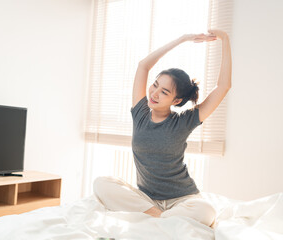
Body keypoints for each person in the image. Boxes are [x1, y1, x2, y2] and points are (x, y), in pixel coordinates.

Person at [93, 29, 232, 228]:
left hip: (182, 199)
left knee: (207, 210)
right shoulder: (140, 113)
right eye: (155, 85)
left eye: (164, 92)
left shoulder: (185, 121)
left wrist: (225, 39)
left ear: (176, 100)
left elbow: (223, 86)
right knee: (101, 183)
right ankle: (159, 217)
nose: (154, 93)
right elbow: (143, 66)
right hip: (147, 199)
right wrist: (182, 39)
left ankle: (156, 218)